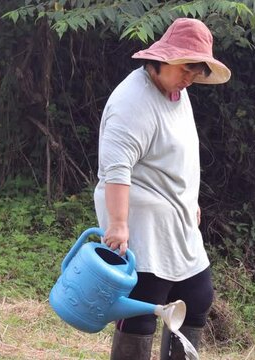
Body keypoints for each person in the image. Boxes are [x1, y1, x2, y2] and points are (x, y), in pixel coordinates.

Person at [93, 17, 231, 360]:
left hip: (176, 216)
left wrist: (190, 199)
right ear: (162, 59)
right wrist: (119, 224)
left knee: (197, 296)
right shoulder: (132, 101)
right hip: (139, 217)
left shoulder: (176, 92)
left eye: (197, 70)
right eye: (187, 67)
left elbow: (178, 152)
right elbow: (116, 167)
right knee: (143, 304)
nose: (190, 77)